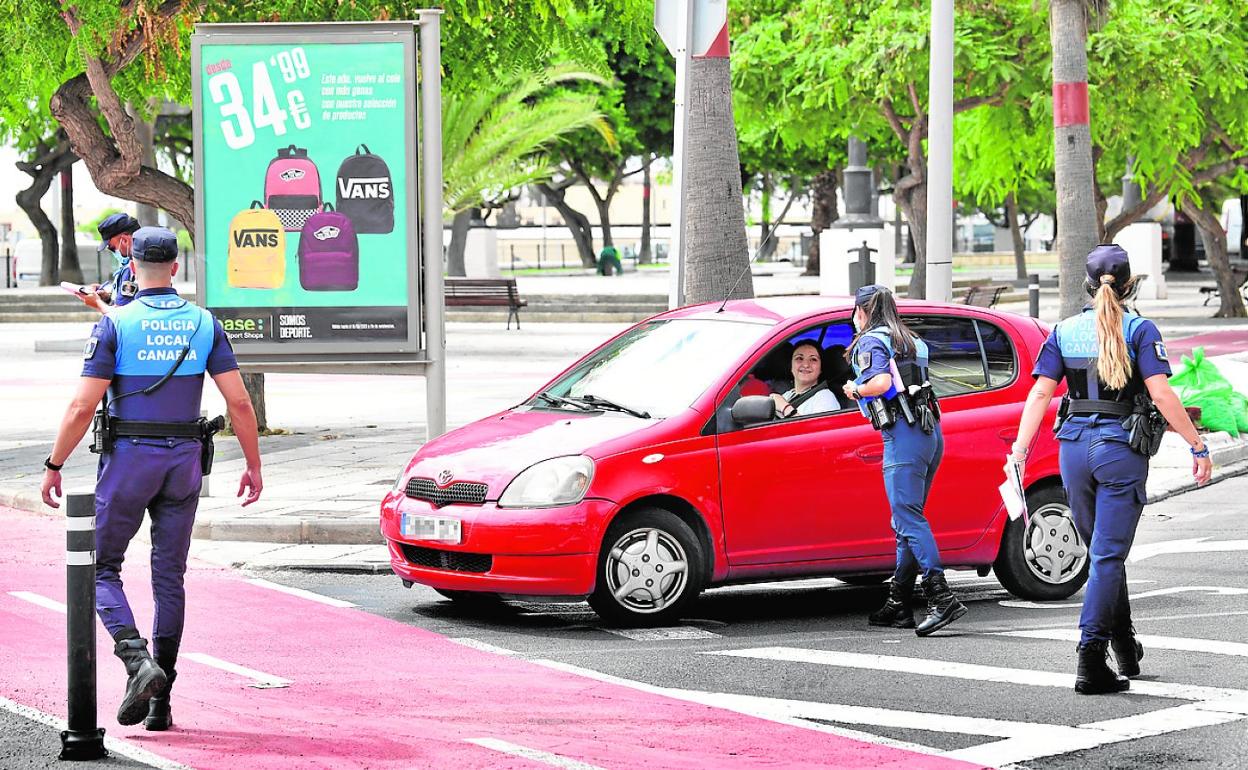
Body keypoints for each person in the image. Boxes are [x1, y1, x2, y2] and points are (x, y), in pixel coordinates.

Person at [40, 226, 264, 730]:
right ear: (176, 268)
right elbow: (240, 401)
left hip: (128, 463)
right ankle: (162, 704)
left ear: (132, 267)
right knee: (169, 578)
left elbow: (82, 405)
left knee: (101, 567)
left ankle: (137, 660)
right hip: (184, 461)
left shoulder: (115, 323)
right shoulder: (205, 323)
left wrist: (55, 464)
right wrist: (253, 463)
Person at [1008, 244, 1212, 694]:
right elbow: (1161, 395)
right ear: (1129, 284)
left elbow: (1041, 394)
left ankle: (1123, 645)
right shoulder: (1139, 328)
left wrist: (1020, 450)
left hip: (1073, 450)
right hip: (1119, 450)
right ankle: (1090, 657)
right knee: (1107, 555)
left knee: (1102, 552)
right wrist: (1197, 446)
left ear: (1086, 283)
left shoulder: (1063, 330)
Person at [842, 284, 965, 636]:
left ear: (862, 312)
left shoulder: (871, 341)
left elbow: (881, 382)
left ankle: (941, 598)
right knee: (906, 520)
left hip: (903, 436)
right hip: (930, 433)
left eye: (855, 313)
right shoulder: (910, 340)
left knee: (908, 518)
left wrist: (855, 389)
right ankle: (898, 604)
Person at [79, 213, 142, 314]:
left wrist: (97, 303)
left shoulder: (132, 269)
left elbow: (120, 315)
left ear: (125, 240)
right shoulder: (143, 262)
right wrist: (107, 299)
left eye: (112, 248)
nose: (113, 252)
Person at [771, 341, 842, 417]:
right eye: (799, 358)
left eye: (813, 359)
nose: (805, 365)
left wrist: (785, 408)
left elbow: (819, 429)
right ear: (791, 366)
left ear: (821, 368)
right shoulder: (787, 395)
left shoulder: (825, 398)